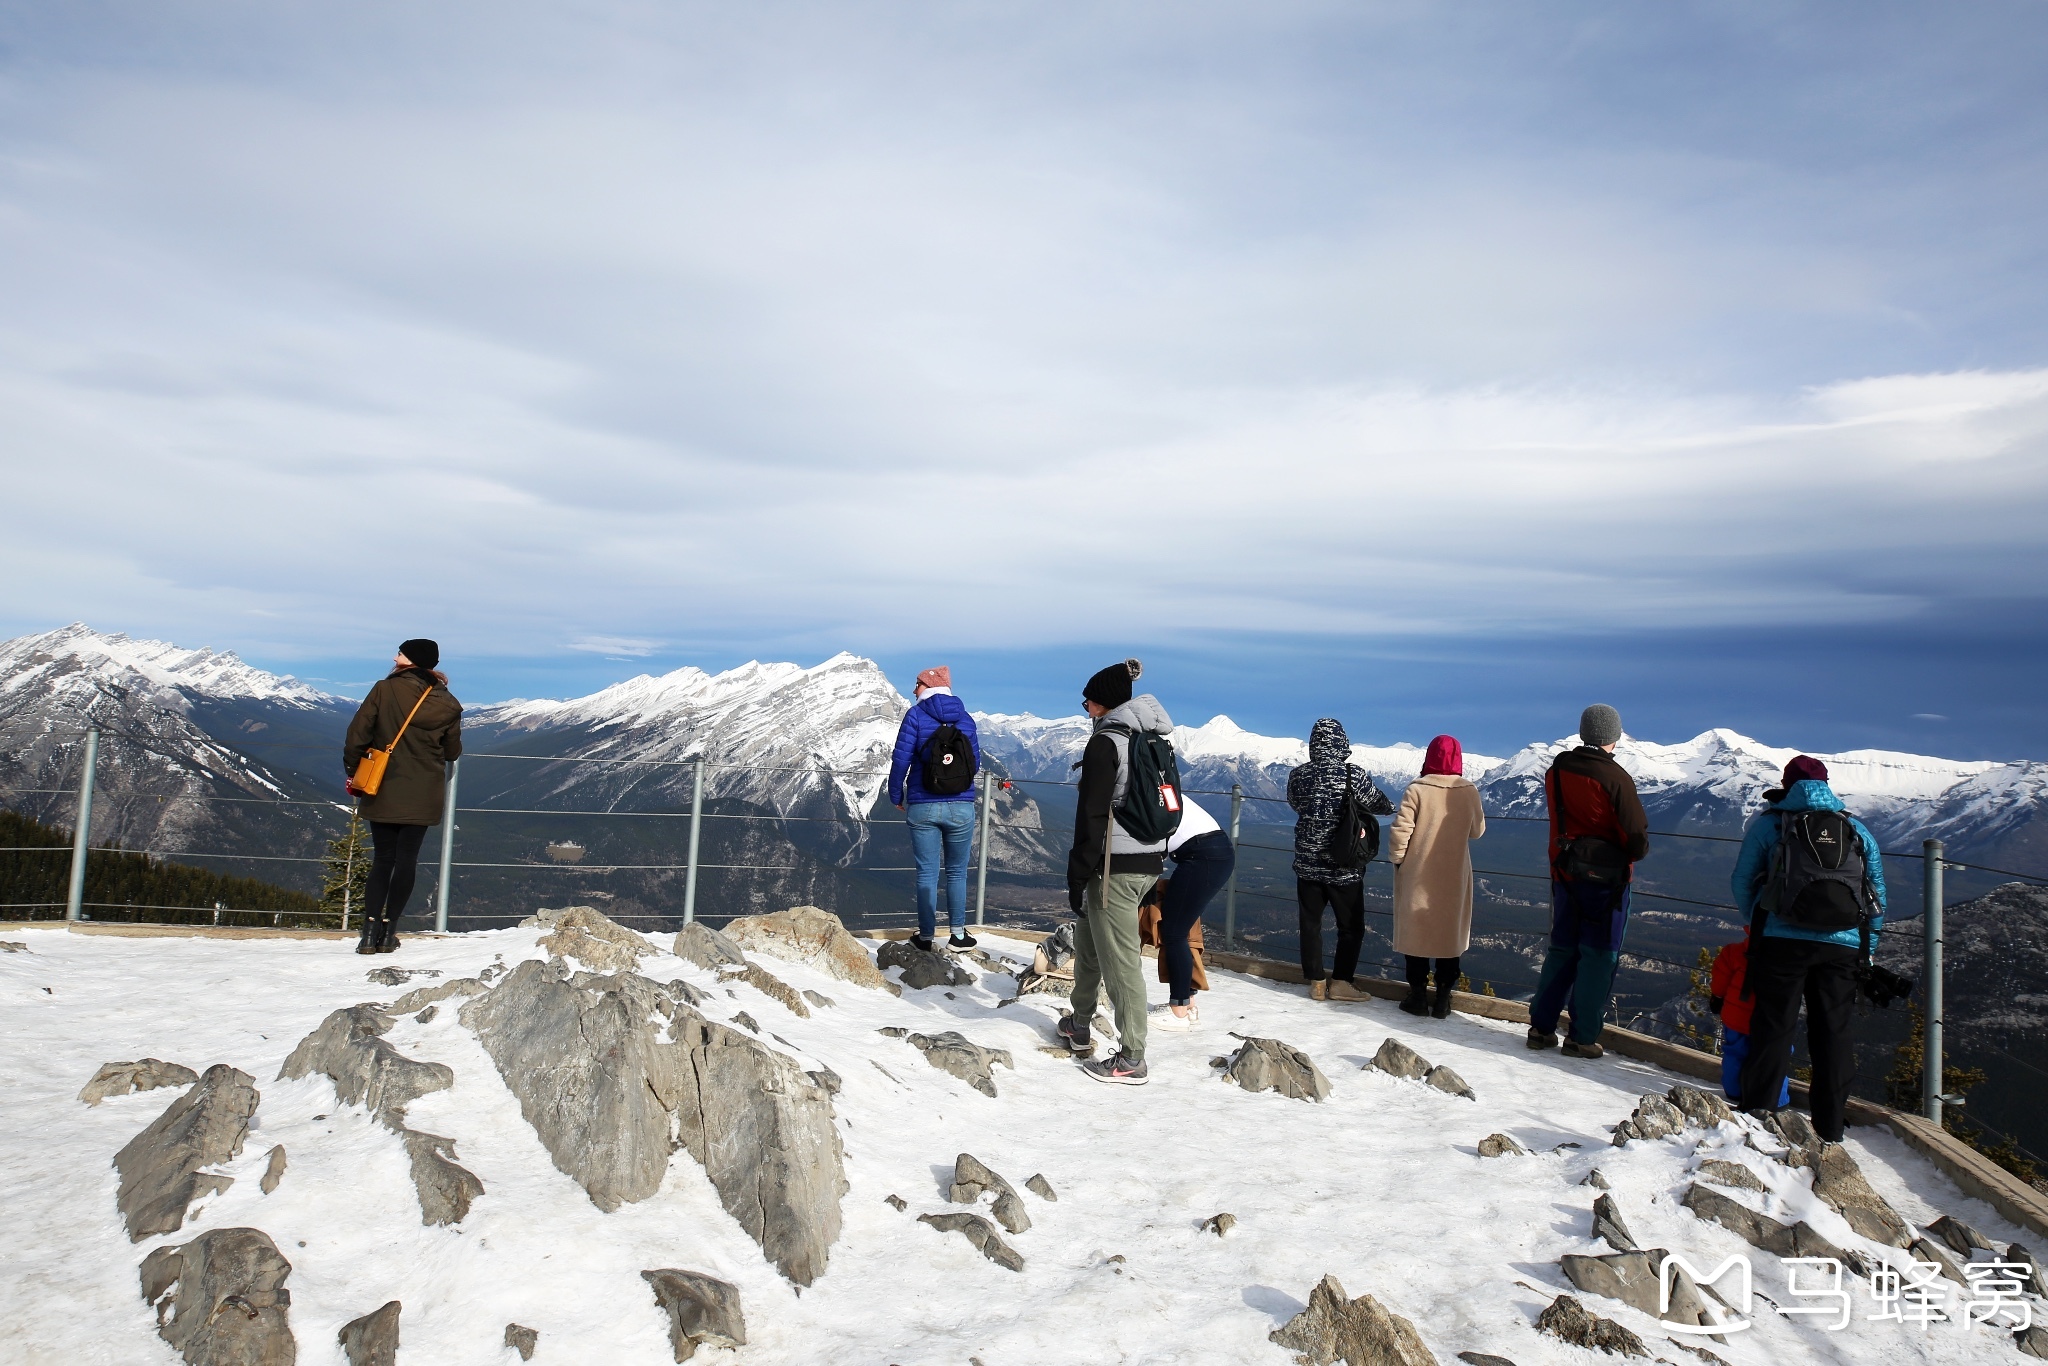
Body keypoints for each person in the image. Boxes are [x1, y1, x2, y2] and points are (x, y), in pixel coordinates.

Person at [1732, 755, 1885, 1143]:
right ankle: (1830, 1126)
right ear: (1828, 784)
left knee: (1774, 1025)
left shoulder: (1771, 824)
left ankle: (1760, 1116)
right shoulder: (1855, 828)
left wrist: (1757, 921)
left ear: (1786, 785)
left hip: (1781, 941)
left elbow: (1742, 880)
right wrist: (1869, 947)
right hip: (1843, 946)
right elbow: (1876, 893)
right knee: (1833, 1033)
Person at [1059, 658, 1172, 1085]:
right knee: (1090, 942)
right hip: (1146, 860)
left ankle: (1132, 1057)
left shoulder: (1107, 742)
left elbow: (1091, 815)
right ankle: (1080, 1023)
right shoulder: (1149, 738)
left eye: (1088, 700)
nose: (1085, 708)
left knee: (1121, 962)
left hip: (1113, 868)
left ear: (1101, 702)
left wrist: (1077, 872)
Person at [1527, 704, 1649, 1058]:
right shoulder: (1615, 778)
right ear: (1614, 736)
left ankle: (1541, 1027)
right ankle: (1582, 1037)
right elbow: (1636, 837)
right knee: (1599, 956)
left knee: (1562, 948)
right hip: (1607, 882)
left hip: (1564, 871)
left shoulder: (1557, 770)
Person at [342, 639, 462, 954]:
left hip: (383, 786)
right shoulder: (449, 704)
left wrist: (354, 771)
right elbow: (452, 751)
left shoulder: (384, 690)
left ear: (410, 661)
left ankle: (368, 933)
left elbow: (357, 734)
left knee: (383, 859)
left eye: (400, 653)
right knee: (407, 860)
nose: (394, 657)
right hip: (423, 791)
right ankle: (389, 931)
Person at [1286, 718, 1394, 1001]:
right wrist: (1391, 807)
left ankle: (1317, 982)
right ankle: (1342, 982)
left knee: (1310, 924)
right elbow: (1377, 803)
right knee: (1351, 927)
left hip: (1307, 863)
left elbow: (1296, 805)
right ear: (1342, 742)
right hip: (1344, 866)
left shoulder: (1298, 775)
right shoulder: (1352, 775)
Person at [1389, 734, 1486, 1018]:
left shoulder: (1416, 789)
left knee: (1416, 930)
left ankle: (1417, 996)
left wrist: (1397, 860)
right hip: (1455, 873)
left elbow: (1401, 830)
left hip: (1418, 870)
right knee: (1450, 933)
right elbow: (1477, 831)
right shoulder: (1468, 790)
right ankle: (1443, 999)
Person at [887, 665, 982, 952]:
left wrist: (895, 795)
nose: (913, 690)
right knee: (957, 872)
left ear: (928, 685)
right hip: (961, 806)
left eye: (916, 684)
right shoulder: (965, 718)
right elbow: (974, 763)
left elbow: (900, 760)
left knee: (927, 873)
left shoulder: (915, 716)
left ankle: (926, 937)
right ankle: (958, 936)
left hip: (923, 804)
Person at [1149, 793, 1235, 1029]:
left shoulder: (1144, 793)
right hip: (1210, 853)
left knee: (1174, 932)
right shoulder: (1162, 786)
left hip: (1203, 857)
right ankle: (1188, 1004)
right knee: (1179, 929)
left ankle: (1178, 1011)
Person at [1707, 936, 1790, 1107]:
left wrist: (1717, 996)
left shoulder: (1734, 951)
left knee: (1735, 1054)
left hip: (1737, 1017)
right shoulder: (1790, 954)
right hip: (1773, 1019)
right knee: (1776, 1055)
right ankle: (1778, 1098)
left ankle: (1734, 1091)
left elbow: (1720, 979)